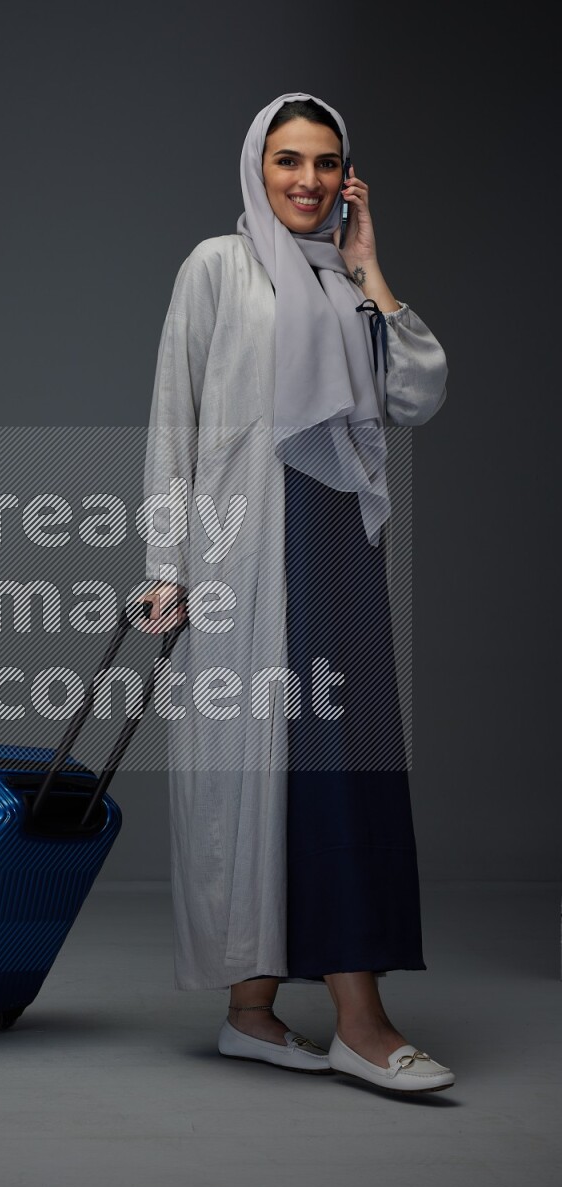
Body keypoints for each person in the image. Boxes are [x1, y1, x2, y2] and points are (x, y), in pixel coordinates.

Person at [137, 92, 454, 1094]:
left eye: (325, 163)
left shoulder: (341, 281)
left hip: (332, 561)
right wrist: (164, 567)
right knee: (251, 784)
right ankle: (251, 1006)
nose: (307, 181)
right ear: (254, 165)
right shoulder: (216, 269)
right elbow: (172, 422)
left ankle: (358, 1016)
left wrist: (366, 267)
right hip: (240, 562)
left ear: (345, 176)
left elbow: (416, 396)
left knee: (336, 772)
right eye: (286, 161)